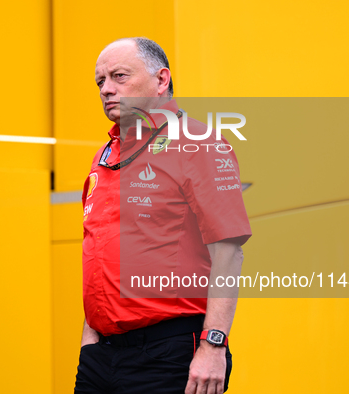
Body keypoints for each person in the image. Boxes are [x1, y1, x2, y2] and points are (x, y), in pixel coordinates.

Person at [75, 37, 251, 394]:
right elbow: (99, 254)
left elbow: (228, 251)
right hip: (101, 358)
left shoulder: (199, 144)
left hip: (168, 355)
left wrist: (213, 346)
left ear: (161, 79)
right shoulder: (104, 157)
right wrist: (89, 342)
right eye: (100, 82)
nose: (106, 89)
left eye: (119, 76)